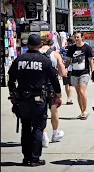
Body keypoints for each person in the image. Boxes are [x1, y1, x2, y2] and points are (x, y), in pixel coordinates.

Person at [8, 34, 62, 166]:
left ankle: (26, 157)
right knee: (38, 127)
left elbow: (10, 79)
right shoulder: (44, 60)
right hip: (38, 98)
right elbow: (54, 79)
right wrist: (58, 94)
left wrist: (13, 94)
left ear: (27, 45)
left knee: (25, 127)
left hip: (23, 99)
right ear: (39, 45)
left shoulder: (19, 59)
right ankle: (35, 157)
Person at [39, 35, 67, 147]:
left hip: (39, 85)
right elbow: (62, 73)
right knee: (53, 109)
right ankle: (55, 133)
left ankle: (43, 135)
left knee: (41, 111)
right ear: (51, 43)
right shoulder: (55, 54)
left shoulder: (35, 54)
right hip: (51, 85)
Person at [65, 31, 94, 120]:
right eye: (75, 37)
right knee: (78, 93)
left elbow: (90, 61)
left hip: (84, 73)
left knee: (82, 91)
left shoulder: (87, 48)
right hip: (74, 73)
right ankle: (82, 111)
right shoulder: (71, 48)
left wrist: (93, 72)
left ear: (82, 37)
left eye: (78, 37)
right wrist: (65, 67)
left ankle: (85, 111)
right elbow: (68, 59)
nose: (76, 39)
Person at [62, 37, 76, 105]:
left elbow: (61, 57)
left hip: (64, 68)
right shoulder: (74, 49)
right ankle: (69, 99)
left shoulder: (63, 49)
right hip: (72, 68)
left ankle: (68, 97)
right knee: (71, 84)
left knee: (66, 84)